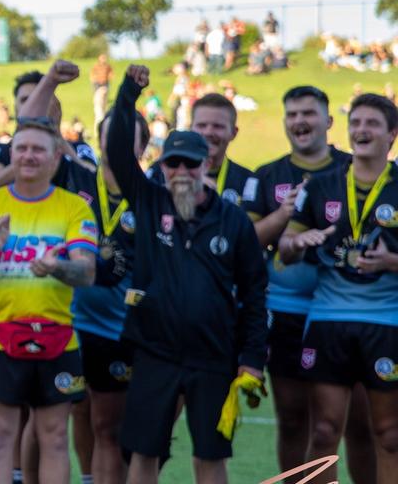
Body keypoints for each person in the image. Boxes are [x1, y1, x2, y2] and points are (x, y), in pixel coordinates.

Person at [108, 65, 267, 484]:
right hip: (154, 353)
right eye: (172, 162)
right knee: (143, 454)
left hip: (214, 356)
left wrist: (252, 359)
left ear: (205, 165)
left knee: (210, 458)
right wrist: (128, 94)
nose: (181, 171)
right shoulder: (148, 200)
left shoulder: (234, 221)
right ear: (161, 167)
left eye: (189, 163)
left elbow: (254, 295)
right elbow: (118, 151)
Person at [20, 60, 150, 484]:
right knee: (48, 421)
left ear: (142, 148)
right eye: (109, 131)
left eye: (125, 133)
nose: (114, 140)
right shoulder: (74, 176)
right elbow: (33, 122)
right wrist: (52, 81)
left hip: (121, 331)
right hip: (66, 323)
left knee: (109, 428)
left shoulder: (153, 199)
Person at [0, 121, 97, 484]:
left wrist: (57, 267)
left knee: (55, 437)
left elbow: (86, 272)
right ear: (11, 155)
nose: (28, 156)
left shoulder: (74, 208)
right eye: (21, 148)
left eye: (38, 149)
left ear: (54, 158)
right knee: (0, 437)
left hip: (58, 338)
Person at [249, 86, 374, 481]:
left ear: (328, 121)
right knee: (292, 419)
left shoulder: (357, 168)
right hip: (286, 313)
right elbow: (249, 244)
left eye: (308, 113)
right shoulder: (267, 176)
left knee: (358, 423)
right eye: (292, 114)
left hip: (348, 311)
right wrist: (288, 237)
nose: (300, 122)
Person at [281, 93, 398, 484]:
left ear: (392, 135)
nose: (361, 130)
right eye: (356, 123)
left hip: (386, 321)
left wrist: (390, 263)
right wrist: (298, 243)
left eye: (372, 124)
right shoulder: (322, 185)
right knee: (325, 430)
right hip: (328, 318)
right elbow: (285, 249)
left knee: (389, 434)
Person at [148, 93, 259, 211]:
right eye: (202, 125)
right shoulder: (160, 171)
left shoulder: (248, 181)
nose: (208, 132)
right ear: (190, 128)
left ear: (234, 133)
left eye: (218, 126)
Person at [91, 53, 113, 124]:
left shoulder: (107, 66)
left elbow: (111, 74)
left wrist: (108, 78)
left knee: (104, 103)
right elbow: (92, 74)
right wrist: (94, 80)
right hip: (98, 85)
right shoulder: (96, 66)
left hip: (105, 84)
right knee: (98, 102)